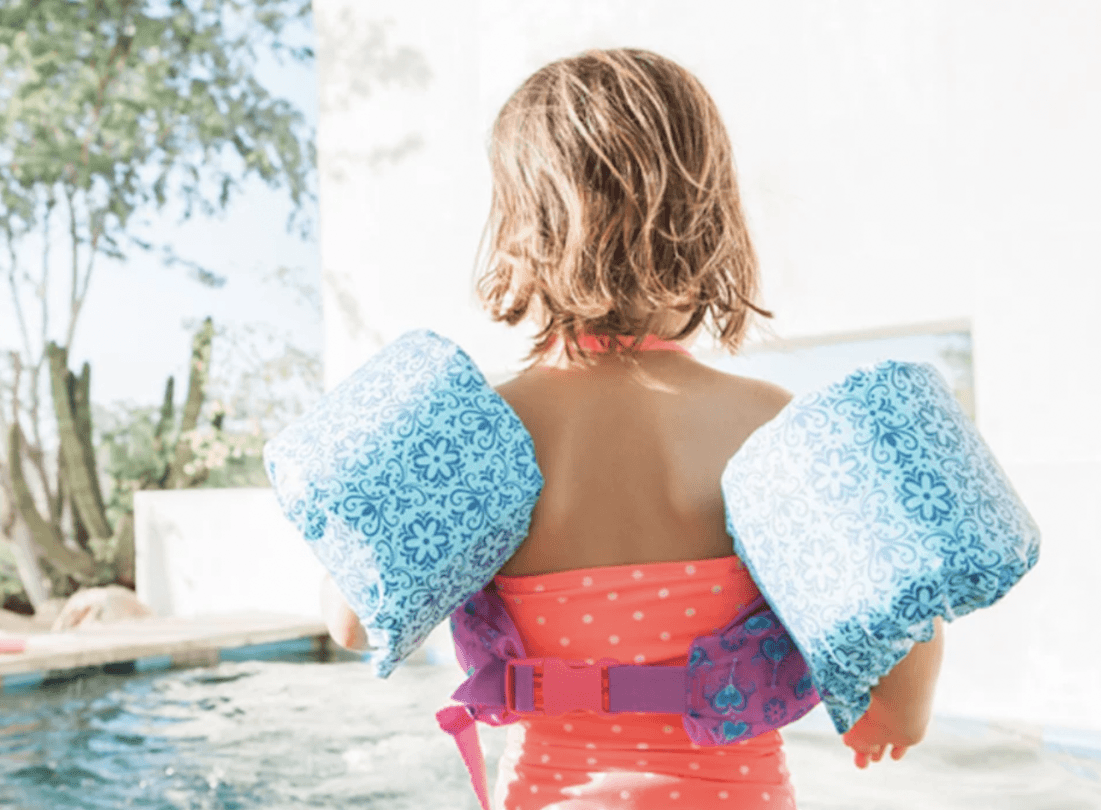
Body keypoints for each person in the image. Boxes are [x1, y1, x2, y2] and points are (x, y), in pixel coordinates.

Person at [320, 47, 945, 809]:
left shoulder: (479, 432)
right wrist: (892, 721)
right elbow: (903, 648)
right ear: (710, 219)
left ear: (521, 229)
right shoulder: (769, 424)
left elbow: (353, 622)